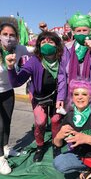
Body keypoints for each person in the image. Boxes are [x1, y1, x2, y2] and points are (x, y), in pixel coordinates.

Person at [6, 31, 64, 162]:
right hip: (38, 96)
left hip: (57, 95)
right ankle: (40, 146)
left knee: (55, 120)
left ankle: (56, 144)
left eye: (50, 41)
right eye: (43, 42)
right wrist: (10, 68)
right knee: (41, 121)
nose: (47, 44)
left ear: (57, 45)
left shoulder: (62, 60)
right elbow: (16, 82)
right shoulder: (34, 61)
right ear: (38, 45)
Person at [56, 13, 91, 111]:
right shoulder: (67, 49)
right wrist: (60, 97)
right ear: (74, 32)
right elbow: (62, 76)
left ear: (89, 31)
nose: (81, 33)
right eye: (78, 31)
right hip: (73, 98)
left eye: (84, 30)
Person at [0, 22, 32, 175]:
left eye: (11, 35)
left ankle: (6, 148)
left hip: (7, 91)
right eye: (5, 34)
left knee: (7, 122)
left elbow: (34, 51)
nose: (8, 38)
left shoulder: (19, 49)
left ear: (17, 38)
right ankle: (0, 159)